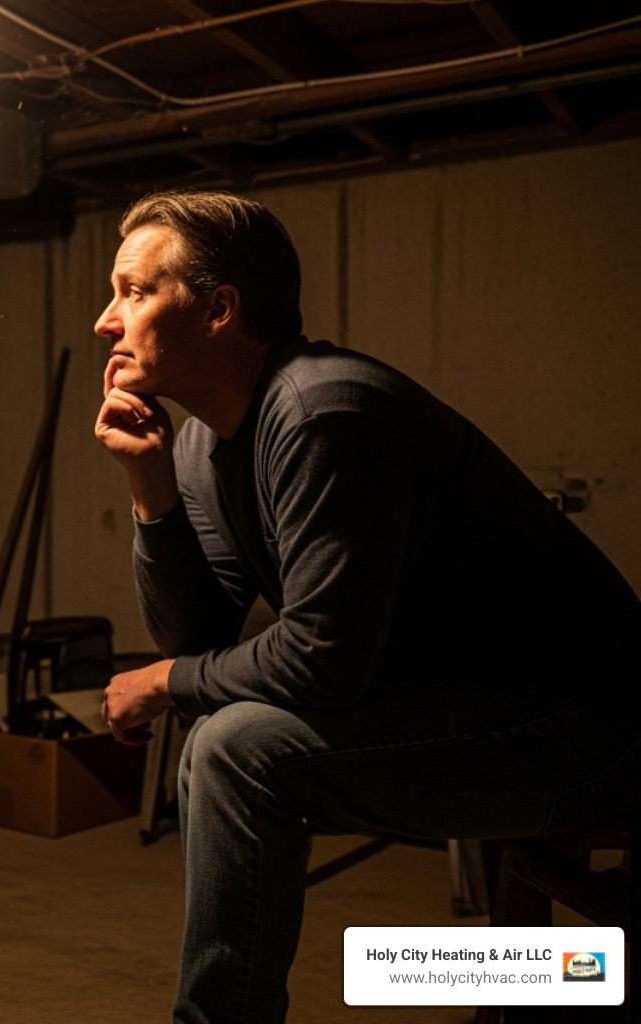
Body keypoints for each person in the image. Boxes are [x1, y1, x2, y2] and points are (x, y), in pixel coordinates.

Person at [91, 189, 641, 1024]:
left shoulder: (322, 412)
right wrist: (151, 488)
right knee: (227, 734)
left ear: (219, 309)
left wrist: (168, 682)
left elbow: (321, 658)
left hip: (597, 730)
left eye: (134, 290)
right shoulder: (204, 441)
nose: (107, 320)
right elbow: (196, 635)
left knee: (236, 749)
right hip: (472, 705)